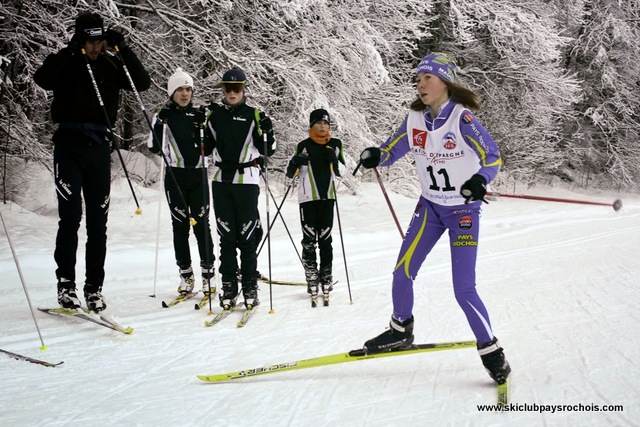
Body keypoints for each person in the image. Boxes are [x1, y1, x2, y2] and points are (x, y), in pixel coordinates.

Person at [358, 52, 510, 385]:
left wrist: (478, 181)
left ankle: (492, 350)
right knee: (403, 270)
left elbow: (492, 157)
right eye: (418, 79)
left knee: (463, 289)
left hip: (463, 212)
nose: (420, 84)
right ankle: (400, 329)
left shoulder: (462, 119)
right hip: (430, 208)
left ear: (445, 82)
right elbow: (392, 149)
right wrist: (376, 156)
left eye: (427, 77)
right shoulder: (414, 119)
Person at [33, 12, 150, 312]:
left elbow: (142, 82)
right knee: (70, 218)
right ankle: (66, 284)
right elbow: (42, 78)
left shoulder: (110, 64)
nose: (95, 48)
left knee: (99, 224)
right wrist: (70, 52)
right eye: (89, 42)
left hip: (99, 150)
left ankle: (94, 288)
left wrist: (122, 48)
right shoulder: (69, 60)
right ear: (80, 39)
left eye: (99, 42)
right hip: (69, 148)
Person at [205, 67, 276, 309]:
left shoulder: (254, 115)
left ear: (244, 89)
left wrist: (267, 130)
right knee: (226, 236)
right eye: (228, 88)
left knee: (246, 235)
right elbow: (203, 149)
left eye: (237, 88)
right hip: (221, 180)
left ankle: (249, 285)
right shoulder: (214, 117)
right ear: (223, 90)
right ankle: (228, 285)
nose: (232, 92)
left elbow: (268, 151)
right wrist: (200, 127)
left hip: (246, 181)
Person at [148, 68, 215, 296]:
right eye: (180, 89)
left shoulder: (200, 115)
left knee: (202, 225)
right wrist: (159, 123)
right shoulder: (164, 115)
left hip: (198, 176)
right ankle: (186, 275)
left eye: (188, 89)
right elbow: (153, 147)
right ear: (172, 92)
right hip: (175, 177)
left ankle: (208, 275)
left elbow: (213, 145)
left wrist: (204, 124)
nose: (185, 94)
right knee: (180, 226)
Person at [285, 109, 346, 297]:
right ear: (311, 125)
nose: (322, 126)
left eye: (326, 123)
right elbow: (289, 173)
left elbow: (342, 172)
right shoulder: (303, 145)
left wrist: (334, 161)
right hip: (307, 199)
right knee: (309, 241)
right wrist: (295, 161)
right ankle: (312, 278)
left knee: (326, 240)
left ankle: (326, 278)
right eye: (318, 123)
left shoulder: (335, 145)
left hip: (327, 198)